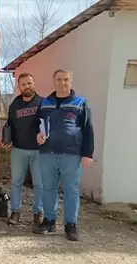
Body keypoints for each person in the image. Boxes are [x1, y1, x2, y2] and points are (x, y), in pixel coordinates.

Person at [34, 69, 94, 241]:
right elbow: (37, 125)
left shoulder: (81, 103)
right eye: (59, 79)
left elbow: (88, 130)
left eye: (66, 79)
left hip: (72, 154)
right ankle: (49, 221)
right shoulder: (45, 102)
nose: (62, 83)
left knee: (71, 190)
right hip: (47, 153)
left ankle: (70, 224)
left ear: (71, 81)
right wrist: (37, 135)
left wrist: (87, 153)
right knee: (48, 188)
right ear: (54, 81)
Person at [0, 73, 44, 226]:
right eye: (23, 84)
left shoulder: (43, 103)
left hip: (39, 150)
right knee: (16, 182)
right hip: (18, 149)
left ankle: (38, 212)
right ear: (19, 86)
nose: (27, 86)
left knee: (39, 183)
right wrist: (6, 139)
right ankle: (15, 212)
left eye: (29, 83)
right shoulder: (14, 105)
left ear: (34, 83)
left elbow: (49, 125)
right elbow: (9, 125)